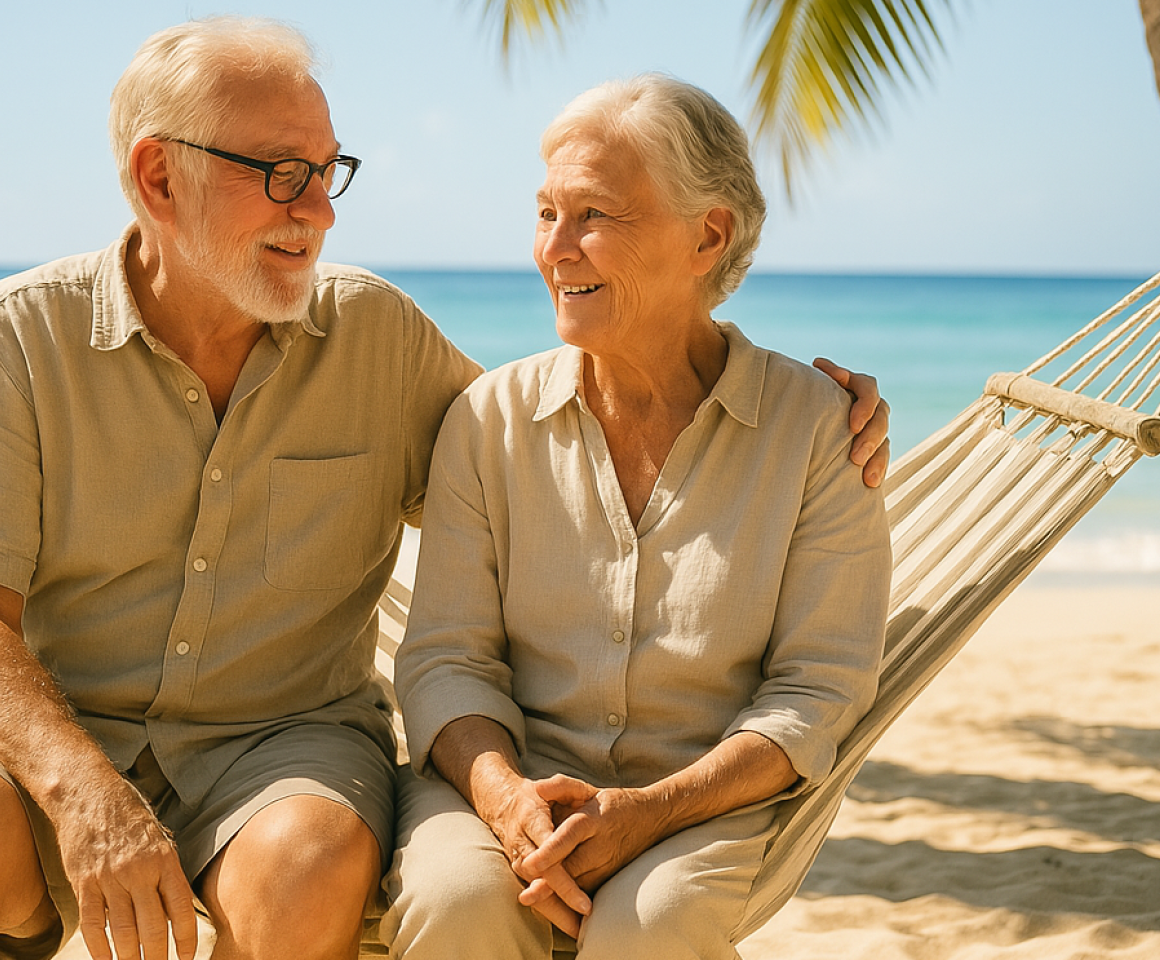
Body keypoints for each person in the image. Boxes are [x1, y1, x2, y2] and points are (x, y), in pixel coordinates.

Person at [0, 20, 891, 960]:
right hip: (55, 738)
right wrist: (86, 795)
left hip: (281, 750)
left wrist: (798, 420)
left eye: (325, 171)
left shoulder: (380, 340)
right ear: (158, 178)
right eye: (279, 173)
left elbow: (559, 446)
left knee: (307, 863)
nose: (318, 211)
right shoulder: (18, 337)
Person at [382, 74, 894, 960]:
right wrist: (506, 798)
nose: (555, 249)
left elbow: (818, 689)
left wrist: (652, 810)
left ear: (709, 235)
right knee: (459, 899)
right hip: (496, 780)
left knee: (645, 926)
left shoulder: (818, 429)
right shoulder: (488, 420)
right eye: (546, 213)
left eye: (594, 215)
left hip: (704, 800)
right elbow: (446, 659)